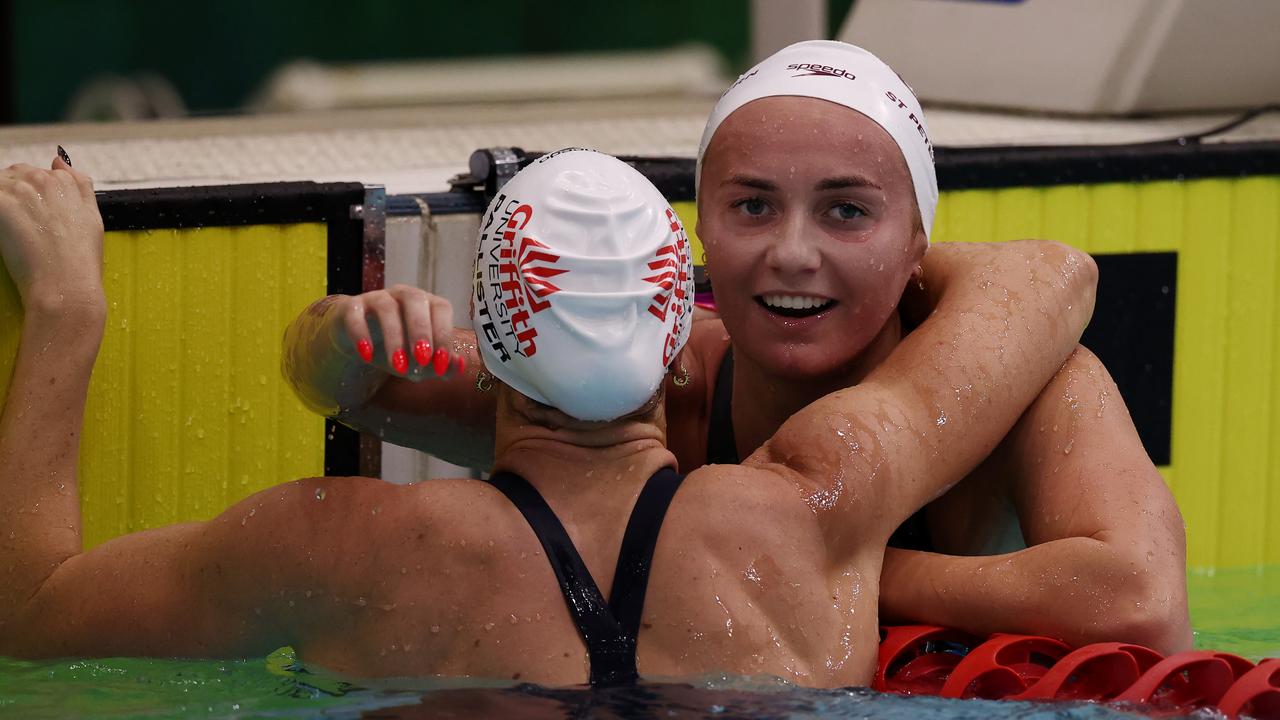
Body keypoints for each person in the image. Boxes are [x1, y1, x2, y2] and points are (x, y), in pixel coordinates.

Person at [0, 149, 1094, 687]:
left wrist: (64, 307)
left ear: (482, 342)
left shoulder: (339, 547)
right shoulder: (814, 509)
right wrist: (883, 249)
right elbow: (1044, 283)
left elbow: (29, 612)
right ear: (679, 341)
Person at [283, 41, 1190, 653]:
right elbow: (354, 391)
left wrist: (821, 559)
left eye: (847, 211)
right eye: (752, 206)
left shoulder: (1038, 390)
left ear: (917, 243)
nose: (792, 253)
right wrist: (343, 334)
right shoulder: (662, 386)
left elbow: (1141, 607)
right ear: (700, 235)